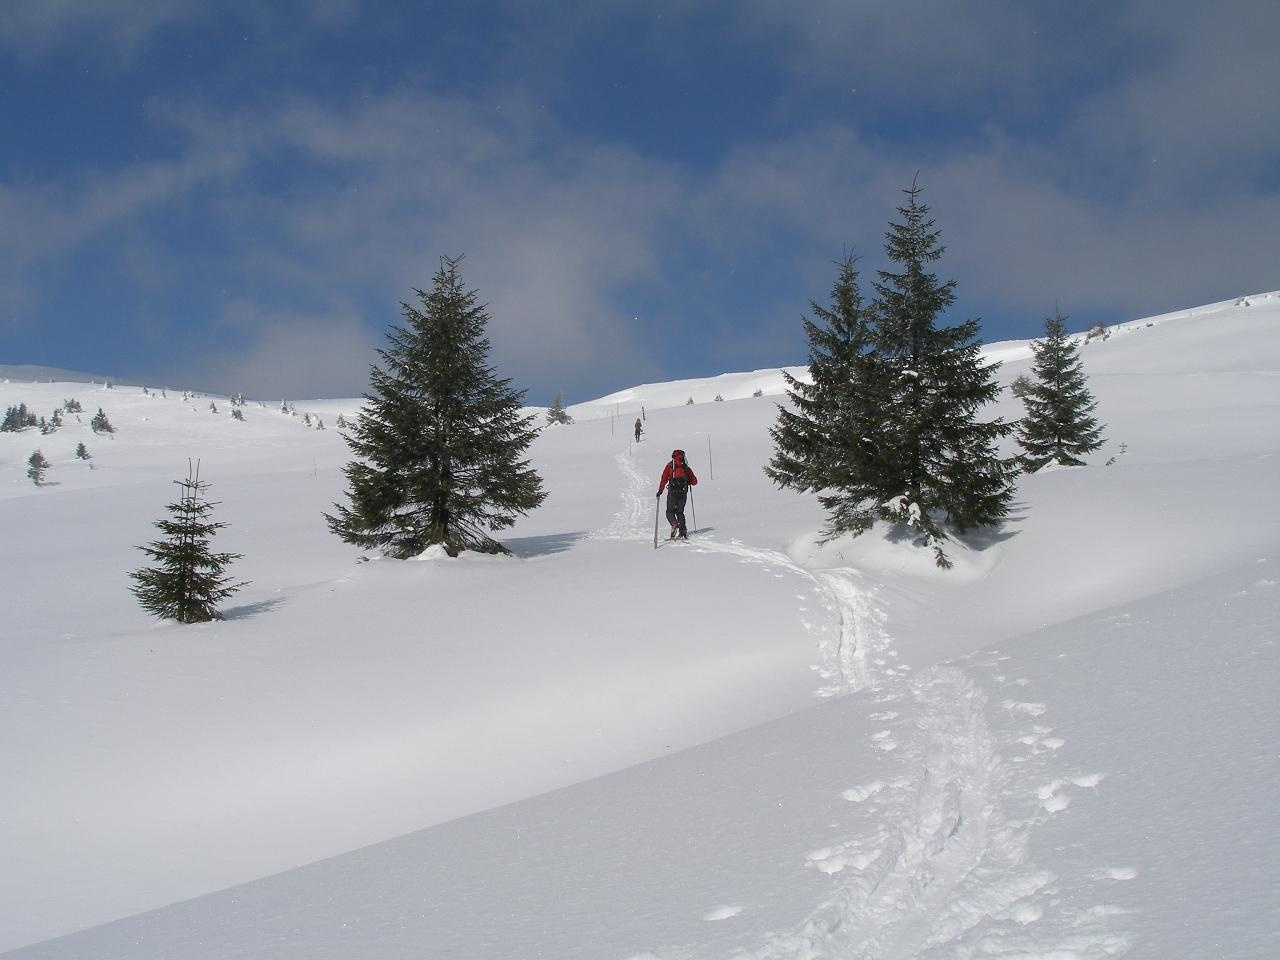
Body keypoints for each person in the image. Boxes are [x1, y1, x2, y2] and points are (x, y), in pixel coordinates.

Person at [656, 448, 698, 539]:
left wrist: (660, 491)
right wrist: (688, 481)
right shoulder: (686, 467)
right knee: (680, 512)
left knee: (669, 512)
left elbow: (664, 479)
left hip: (672, 493)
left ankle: (674, 524)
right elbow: (695, 482)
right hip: (683, 492)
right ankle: (682, 532)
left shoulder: (670, 466)